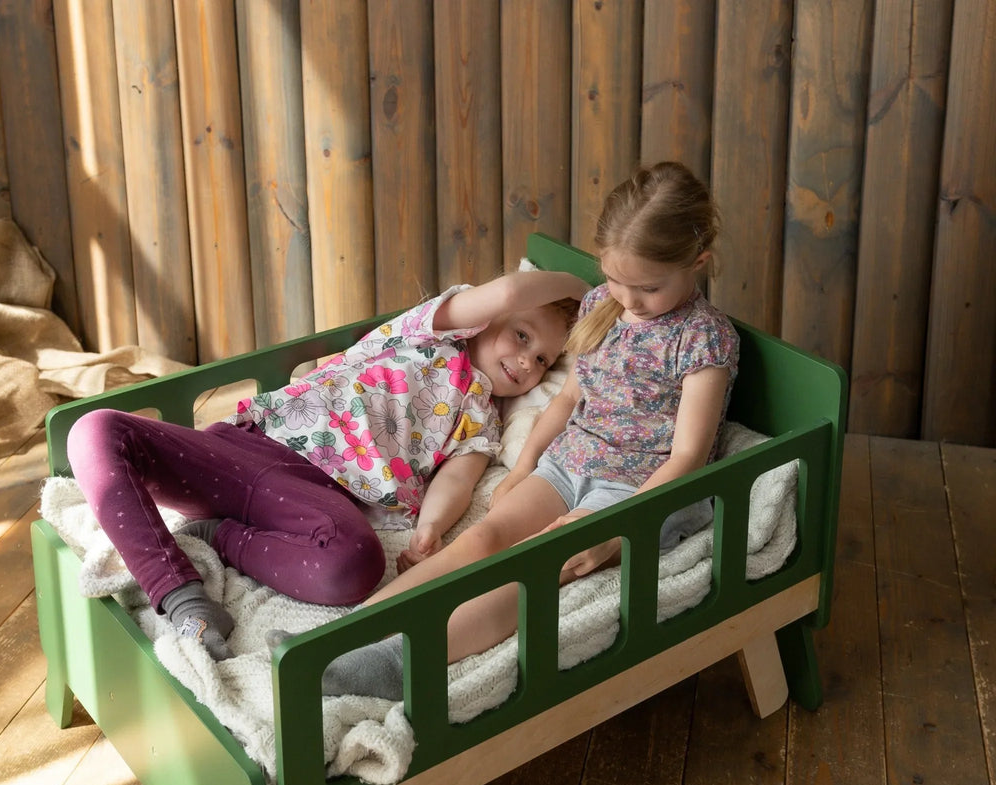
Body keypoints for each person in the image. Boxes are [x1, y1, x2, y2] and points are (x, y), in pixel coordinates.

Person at [315, 161, 740, 699]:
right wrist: (522, 469)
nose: (629, 300)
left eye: (648, 287)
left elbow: (687, 457)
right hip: (570, 464)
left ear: (697, 262)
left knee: (536, 562)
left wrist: (618, 530)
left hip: (639, 491)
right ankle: (340, 640)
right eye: (615, 279)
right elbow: (567, 400)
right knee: (484, 537)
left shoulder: (703, 338)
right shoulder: (602, 307)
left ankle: (398, 661)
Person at [66, 269, 587, 660]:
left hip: (314, 498)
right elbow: (510, 293)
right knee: (96, 430)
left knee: (355, 567)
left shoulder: (484, 420)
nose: (527, 362)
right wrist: (582, 289)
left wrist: (429, 530)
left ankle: (217, 534)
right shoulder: (430, 331)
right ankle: (180, 594)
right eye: (522, 337)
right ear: (487, 320)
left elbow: (458, 478)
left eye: (543, 360)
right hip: (249, 447)